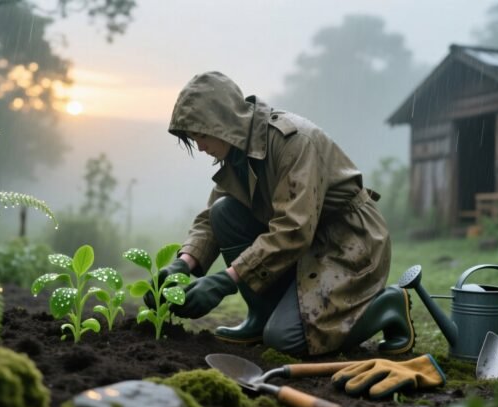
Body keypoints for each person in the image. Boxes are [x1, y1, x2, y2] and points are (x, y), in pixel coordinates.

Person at [151, 71, 414, 356]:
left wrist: (225, 280)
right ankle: (262, 315)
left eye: (202, 136)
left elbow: (293, 229)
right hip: (304, 245)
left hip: (347, 243)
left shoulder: (294, 141)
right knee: (223, 212)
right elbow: (211, 219)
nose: (200, 146)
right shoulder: (237, 152)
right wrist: (184, 263)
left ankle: (387, 306)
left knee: (286, 341)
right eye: (193, 137)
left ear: (225, 123)